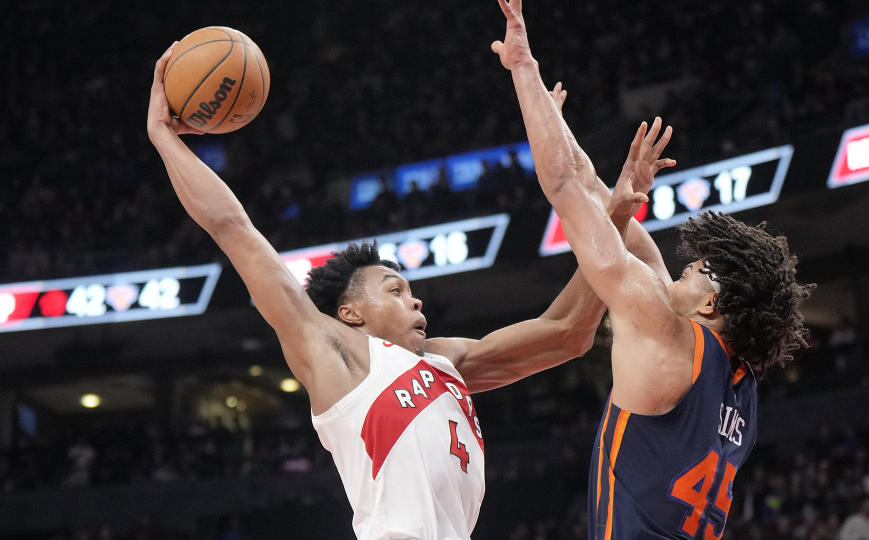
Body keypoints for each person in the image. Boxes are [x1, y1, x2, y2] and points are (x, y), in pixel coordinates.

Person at [146, 42, 668, 540]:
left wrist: (616, 215)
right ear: (349, 313)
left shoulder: (445, 363)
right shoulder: (333, 354)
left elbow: (566, 333)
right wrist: (164, 138)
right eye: (395, 290)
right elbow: (234, 229)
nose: (416, 300)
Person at [490, 1, 814, 538]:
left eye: (701, 270)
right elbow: (598, 193)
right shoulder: (741, 390)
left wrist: (523, 67)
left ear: (712, 305)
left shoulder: (663, 326)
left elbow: (565, 189)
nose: (686, 268)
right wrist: (558, 124)